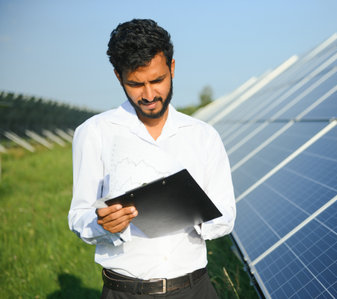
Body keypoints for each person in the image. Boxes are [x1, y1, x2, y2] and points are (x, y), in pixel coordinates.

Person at [68, 19, 236, 298]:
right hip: (125, 291)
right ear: (118, 77)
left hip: (195, 289)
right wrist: (104, 224)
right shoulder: (94, 133)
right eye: (135, 84)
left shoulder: (203, 136)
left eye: (157, 80)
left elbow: (226, 216)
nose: (148, 95)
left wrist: (192, 211)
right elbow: (78, 216)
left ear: (171, 68)